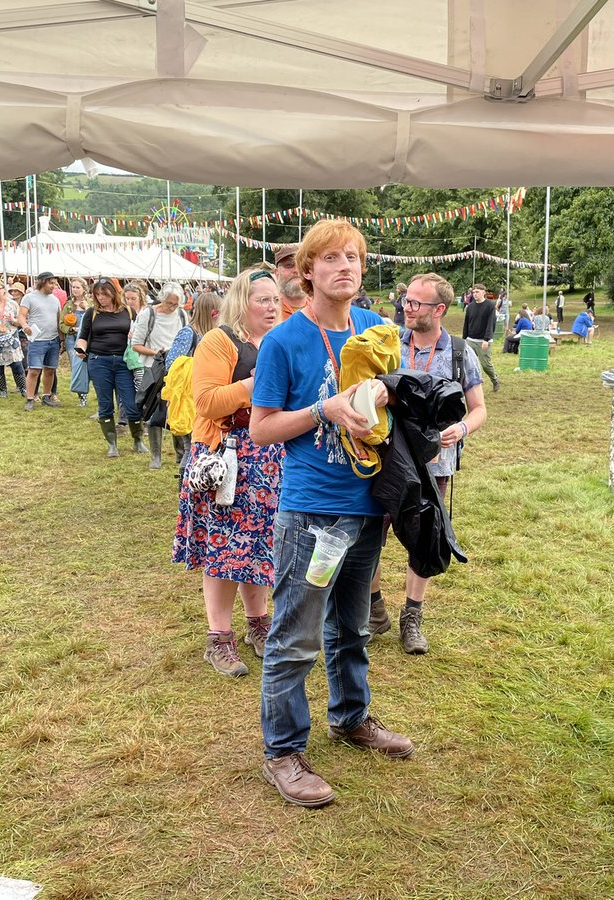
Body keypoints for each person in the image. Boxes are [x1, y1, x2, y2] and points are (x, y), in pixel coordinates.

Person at [250, 219, 412, 809]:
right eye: (332, 258)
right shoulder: (284, 341)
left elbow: (395, 393)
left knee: (353, 626)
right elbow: (262, 428)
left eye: (354, 257)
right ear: (308, 271)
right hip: (312, 514)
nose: (346, 266)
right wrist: (325, 408)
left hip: (368, 506)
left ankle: (351, 718)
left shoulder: (375, 330)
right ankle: (284, 751)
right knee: (295, 636)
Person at [368, 273, 487, 654]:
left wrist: (462, 428)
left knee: (423, 536)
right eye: (406, 299)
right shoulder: (388, 343)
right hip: (384, 457)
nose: (407, 306)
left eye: (416, 303)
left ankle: (412, 617)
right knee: (371, 535)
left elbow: (479, 408)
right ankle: (374, 611)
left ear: (439, 310)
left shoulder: (458, 351)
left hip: (434, 464)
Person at [175, 268, 283, 676]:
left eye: (275, 300)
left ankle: (259, 624)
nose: (271, 307)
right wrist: (250, 387)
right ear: (242, 301)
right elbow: (205, 402)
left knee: (258, 546)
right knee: (224, 550)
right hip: (228, 457)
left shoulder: (278, 339)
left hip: (271, 457)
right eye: (263, 300)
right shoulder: (220, 341)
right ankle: (218, 639)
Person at [76, 277, 146, 457]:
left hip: (123, 362)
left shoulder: (128, 311)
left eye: (104, 294)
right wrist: (81, 349)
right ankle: (112, 444)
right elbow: (83, 336)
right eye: (98, 294)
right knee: (105, 403)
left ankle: (138, 439)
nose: (101, 298)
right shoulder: (92, 313)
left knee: (131, 403)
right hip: (99, 361)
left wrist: (135, 336)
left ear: (113, 294)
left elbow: (140, 333)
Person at [165, 291, 223, 476]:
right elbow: (172, 363)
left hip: (206, 396)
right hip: (189, 398)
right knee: (192, 444)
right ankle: (185, 481)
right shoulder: (189, 333)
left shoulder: (215, 334)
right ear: (212, 312)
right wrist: (201, 366)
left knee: (201, 445)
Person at [131, 281, 186, 469]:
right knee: (154, 410)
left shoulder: (182, 315)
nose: (171, 307)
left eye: (175, 304)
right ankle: (156, 456)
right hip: (153, 368)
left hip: (178, 369)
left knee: (177, 409)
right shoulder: (149, 314)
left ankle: (181, 454)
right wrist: (156, 352)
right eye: (169, 303)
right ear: (162, 299)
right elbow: (136, 345)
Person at [18, 272, 63, 411]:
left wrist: (61, 339)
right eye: (51, 283)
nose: (54, 286)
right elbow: (21, 315)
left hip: (53, 340)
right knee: (34, 371)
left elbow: (58, 320)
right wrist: (25, 326)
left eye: (55, 283)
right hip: (37, 340)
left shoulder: (55, 300)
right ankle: (30, 399)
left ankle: (46, 396)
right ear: (42, 282)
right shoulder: (29, 298)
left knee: (50, 370)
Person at [462, 282, 500, 392]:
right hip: (470, 340)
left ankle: (495, 380)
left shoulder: (489, 306)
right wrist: (464, 339)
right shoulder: (470, 306)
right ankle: (471, 384)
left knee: (485, 364)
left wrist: (486, 339)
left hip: (483, 340)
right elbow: (466, 323)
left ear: (483, 292)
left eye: (477, 292)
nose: (475, 294)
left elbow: (490, 324)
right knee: (467, 363)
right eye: (473, 292)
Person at [65, 277, 91, 406]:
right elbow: (60, 323)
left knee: (90, 368)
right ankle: (82, 398)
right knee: (77, 368)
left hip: (88, 340)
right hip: (72, 339)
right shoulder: (68, 305)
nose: (75, 290)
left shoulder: (90, 304)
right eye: (73, 287)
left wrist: (87, 308)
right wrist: (70, 329)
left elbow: (95, 318)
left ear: (84, 289)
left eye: (77, 287)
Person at [271, 244, 303, 321]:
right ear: (277, 273)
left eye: (301, 265)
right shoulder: (270, 310)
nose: (296, 270)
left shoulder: (321, 308)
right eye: (289, 265)